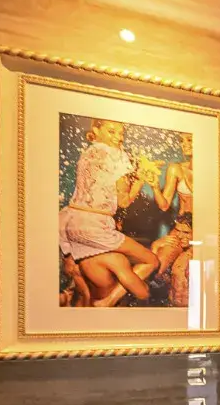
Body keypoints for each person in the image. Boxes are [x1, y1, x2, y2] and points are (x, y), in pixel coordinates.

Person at [58, 119, 158, 307]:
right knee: (151, 261)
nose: (118, 138)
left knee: (84, 287)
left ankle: (83, 303)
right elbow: (124, 201)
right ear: (96, 130)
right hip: (96, 225)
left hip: (71, 223)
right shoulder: (117, 155)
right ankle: (106, 303)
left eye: (121, 133)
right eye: (112, 131)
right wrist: (140, 180)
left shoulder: (88, 153)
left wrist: (67, 254)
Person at [150, 213, 193, 306]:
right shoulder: (175, 252)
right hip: (172, 305)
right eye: (177, 230)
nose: (180, 236)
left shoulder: (197, 255)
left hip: (190, 309)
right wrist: (155, 247)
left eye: (186, 232)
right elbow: (156, 281)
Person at [149, 132, 193, 215]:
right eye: (181, 141)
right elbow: (164, 206)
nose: (184, 144)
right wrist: (155, 187)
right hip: (183, 222)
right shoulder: (176, 169)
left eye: (189, 140)